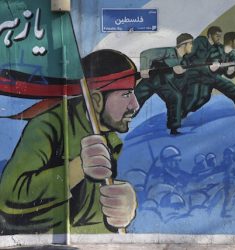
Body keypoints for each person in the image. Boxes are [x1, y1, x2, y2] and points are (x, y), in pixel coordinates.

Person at [0, 49, 139, 234]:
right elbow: (9, 195)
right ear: (96, 100)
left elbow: (87, 213)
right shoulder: (48, 126)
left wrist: (121, 212)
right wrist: (77, 168)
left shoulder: (109, 140)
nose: (135, 105)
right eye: (126, 94)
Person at [182, 26, 235, 118]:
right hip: (196, 74)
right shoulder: (200, 41)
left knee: (234, 90)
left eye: (220, 36)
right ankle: (181, 113)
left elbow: (227, 72)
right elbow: (189, 57)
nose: (219, 38)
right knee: (199, 97)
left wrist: (231, 69)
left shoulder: (220, 49)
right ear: (210, 35)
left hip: (211, 76)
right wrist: (208, 67)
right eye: (217, 36)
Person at [135, 33, 193, 135]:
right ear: (184, 44)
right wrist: (144, 69)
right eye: (191, 43)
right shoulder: (168, 51)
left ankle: (174, 128)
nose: (192, 46)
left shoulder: (184, 59)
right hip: (151, 80)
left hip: (164, 83)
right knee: (134, 102)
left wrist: (180, 72)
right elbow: (146, 54)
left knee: (176, 97)